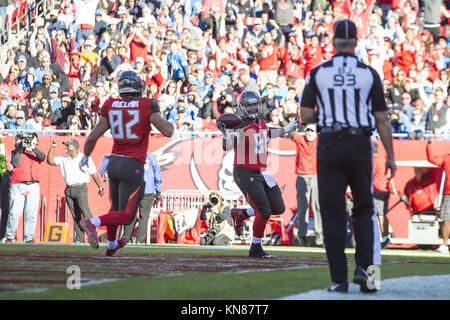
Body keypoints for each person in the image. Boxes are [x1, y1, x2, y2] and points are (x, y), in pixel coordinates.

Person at [300, 20, 396, 293]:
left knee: (332, 214)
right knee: (365, 209)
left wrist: (329, 115)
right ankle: (367, 273)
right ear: (356, 42)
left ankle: (338, 280)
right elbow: (382, 119)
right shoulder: (369, 74)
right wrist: (391, 155)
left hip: (329, 143)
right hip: (359, 143)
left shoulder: (318, 73)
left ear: (333, 43)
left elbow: (305, 115)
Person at [79, 70, 175, 257]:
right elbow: (167, 131)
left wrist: (85, 157)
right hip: (133, 165)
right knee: (127, 216)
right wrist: (169, 123)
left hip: (114, 164)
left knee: (115, 208)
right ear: (138, 86)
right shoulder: (147, 104)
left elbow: (92, 137)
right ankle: (93, 223)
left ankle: (112, 244)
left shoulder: (110, 104)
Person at [221, 90, 298, 258]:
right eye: (249, 104)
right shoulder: (240, 125)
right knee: (263, 212)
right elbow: (226, 146)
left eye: (254, 103)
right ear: (242, 107)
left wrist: (286, 129)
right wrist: (226, 133)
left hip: (262, 172)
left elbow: (268, 132)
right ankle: (255, 248)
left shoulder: (261, 120)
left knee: (278, 207)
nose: (253, 107)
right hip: (245, 172)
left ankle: (241, 213)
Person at [46, 139, 105, 244]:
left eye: (68, 146)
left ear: (75, 147)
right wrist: (53, 147)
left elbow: (94, 173)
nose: (66, 148)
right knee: (75, 215)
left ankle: (93, 237)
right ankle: (79, 239)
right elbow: (50, 161)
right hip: (69, 189)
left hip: (80, 187)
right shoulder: (64, 158)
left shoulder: (84, 158)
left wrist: (100, 187)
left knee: (86, 213)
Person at [2, 133, 45, 243]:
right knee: (15, 212)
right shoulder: (15, 152)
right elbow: (15, 163)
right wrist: (21, 149)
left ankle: (29, 237)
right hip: (17, 184)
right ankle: (10, 236)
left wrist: (33, 148)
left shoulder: (35, 153)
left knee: (31, 212)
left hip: (33, 184)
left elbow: (43, 157)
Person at [290, 123, 322, 247]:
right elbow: (291, 133)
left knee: (317, 205)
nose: (309, 133)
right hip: (301, 176)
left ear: (315, 133)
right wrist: (286, 122)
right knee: (303, 207)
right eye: (307, 130)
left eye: (311, 131)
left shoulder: (319, 140)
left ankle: (319, 232)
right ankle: (302, 234)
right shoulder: (300, 139)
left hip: (315, 176)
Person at [121, 153, 162, 244]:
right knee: (144, 217)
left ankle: (125, 238)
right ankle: (140, 240)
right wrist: (158, 192)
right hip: (148, 190)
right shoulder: (152, 158)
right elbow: (157, 174)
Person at [426, 136, 450, 254]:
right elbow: (432, 159)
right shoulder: (446, 158)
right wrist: (430, 145)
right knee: (445, 218)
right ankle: (445, 244)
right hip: (449, 192)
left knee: (446, 218)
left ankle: (445, 244)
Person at [372, 142, 397, 249]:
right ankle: (385, 237)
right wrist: (393, 188)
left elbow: (369, 174)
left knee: (380, 215)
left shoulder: (374, 160)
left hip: (377, 190)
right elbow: (389, 176)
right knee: (382, 214)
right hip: (384, 189)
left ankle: (383, 238)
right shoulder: (383, 159)